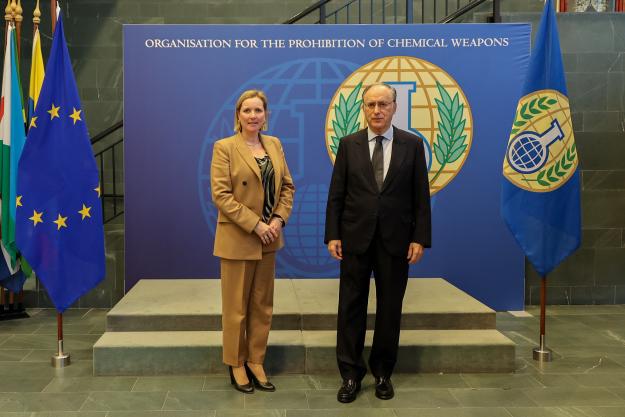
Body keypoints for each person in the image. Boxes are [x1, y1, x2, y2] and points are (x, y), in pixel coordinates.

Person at [325, 83, 431, 403]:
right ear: (363, 108)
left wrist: (420, 239)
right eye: (370, 104)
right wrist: (333, 234)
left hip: (396, 241)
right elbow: (337, 195)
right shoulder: (348, 144)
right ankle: (350, 375)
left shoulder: (412, 145)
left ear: (394, 107)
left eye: (383, 104)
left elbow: (420, 198)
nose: (376, 110)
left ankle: (383, 372)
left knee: (389, 309)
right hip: (355, 239)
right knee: (351, 308)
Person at [211, 89, 295, 394]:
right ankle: (236, 362)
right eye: (247, 110)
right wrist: (256, 225)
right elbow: (221, 195)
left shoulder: (274, 144)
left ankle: (257, 359)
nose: (253, 116)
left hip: (269, 238)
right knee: (236, 307)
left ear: (265, 115)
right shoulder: (224, 147)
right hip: (238, 237)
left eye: (258, 110)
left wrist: (276, 221)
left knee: (262, 306)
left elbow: (287, 187)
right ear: (238, 115)